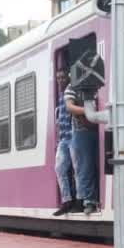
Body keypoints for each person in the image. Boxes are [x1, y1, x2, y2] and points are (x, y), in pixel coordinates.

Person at [64, 77, 100, 215]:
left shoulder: (97, 82)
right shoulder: (72, 86)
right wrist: (88, 111)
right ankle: (89, 201)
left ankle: (96, 199)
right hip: (82, 131)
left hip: (99, 128)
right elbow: (70, 106)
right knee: (85, 167)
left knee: (98, 165)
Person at [52, 70, 78, 216]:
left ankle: (78, 200)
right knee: (59, 168)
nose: (60, 80)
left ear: (68, 77)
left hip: (73, 136)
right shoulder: (61, 96)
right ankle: (67, 201)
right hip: (63, 139)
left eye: (62, 77)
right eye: (58, 78)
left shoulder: (70, 92)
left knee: (77, 169)